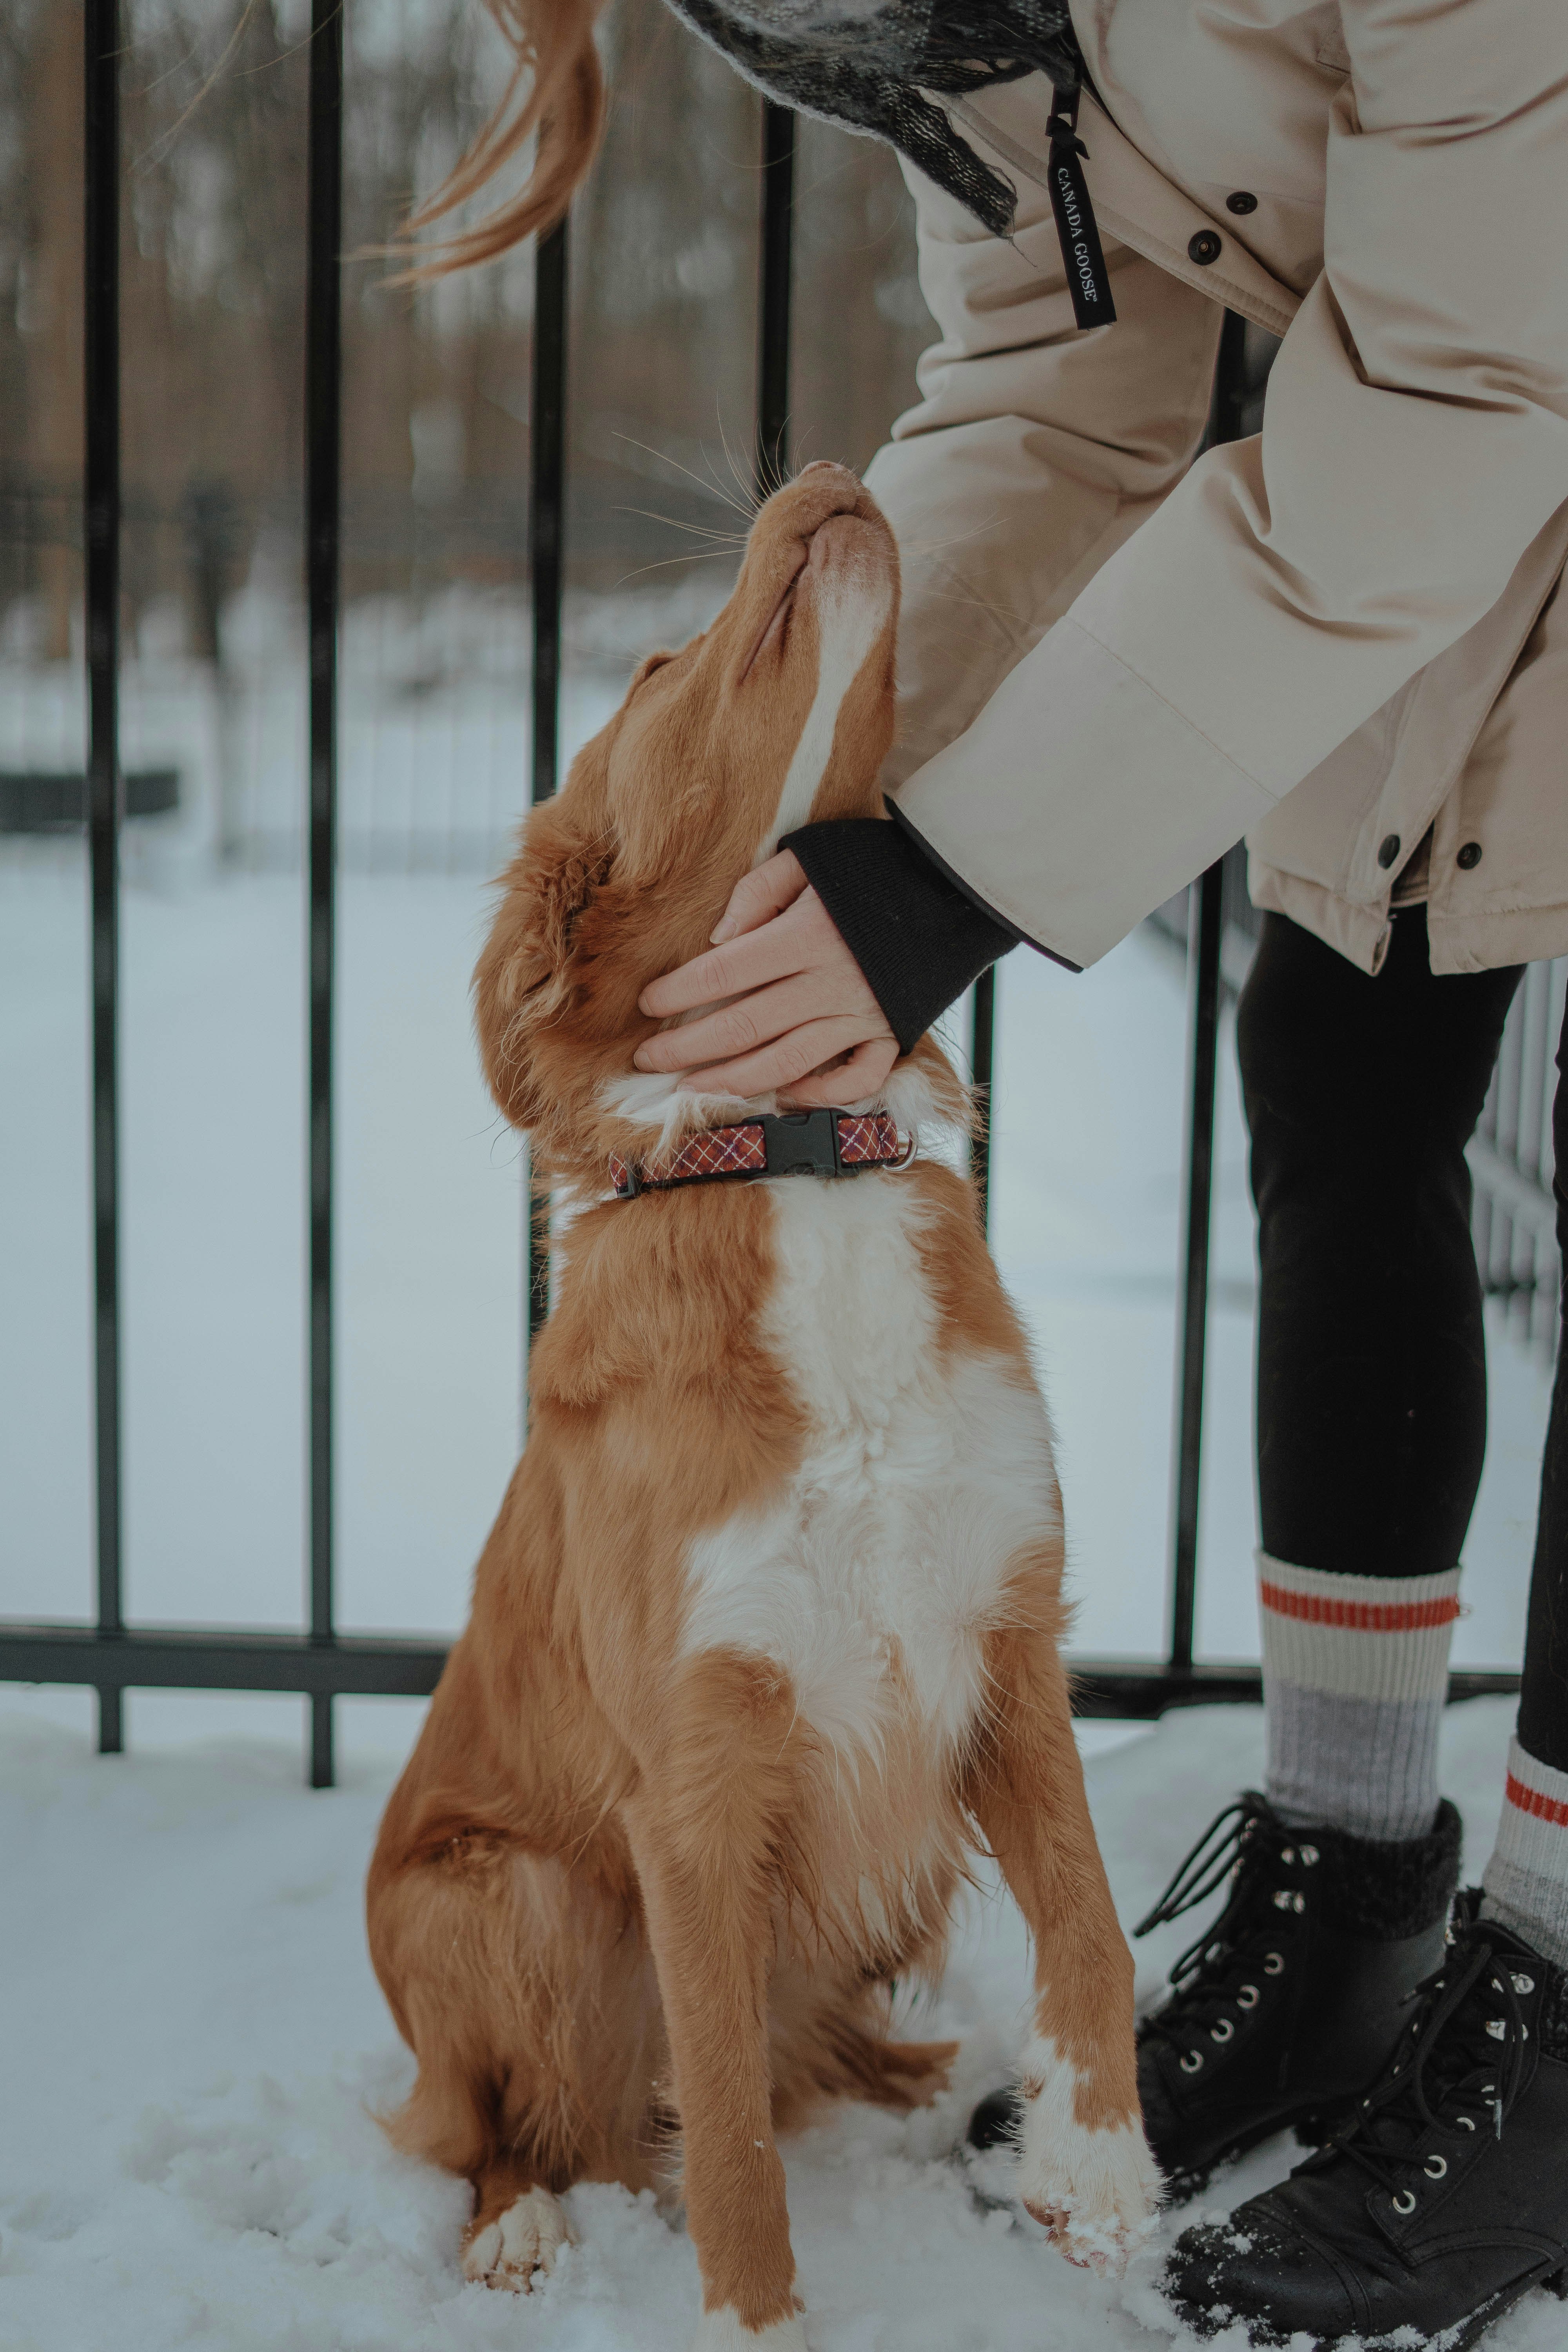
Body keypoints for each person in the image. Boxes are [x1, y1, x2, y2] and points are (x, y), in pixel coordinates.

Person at [434, 2, 1568, 2341]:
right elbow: (1062, 390)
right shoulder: (927, 21)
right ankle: (1355, 1893)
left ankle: (1558, 1986)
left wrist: (953, 881)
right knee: (1340, 1053)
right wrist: (816, 783)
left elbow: (1464, 380)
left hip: (1470, 377)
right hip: (1436, 434)